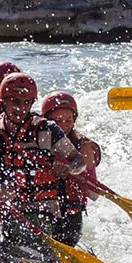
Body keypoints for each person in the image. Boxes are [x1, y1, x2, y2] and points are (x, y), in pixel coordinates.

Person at [0, 73, 86, 243]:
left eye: (27, 102)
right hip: (10, 210)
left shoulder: (47, 129)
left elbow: (78, 160)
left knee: (24, 231)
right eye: (15, 101)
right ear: (3, 101)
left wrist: (70, 168)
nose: (21, 108)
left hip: (45, 211)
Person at [40, 91, 100, 247]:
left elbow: (93, 193)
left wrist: (72, 170)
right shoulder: (35, 140)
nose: (63, 126)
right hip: (41, 210)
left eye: (68, 120)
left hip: (69, 216)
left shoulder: (83, 146)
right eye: (57, 120)